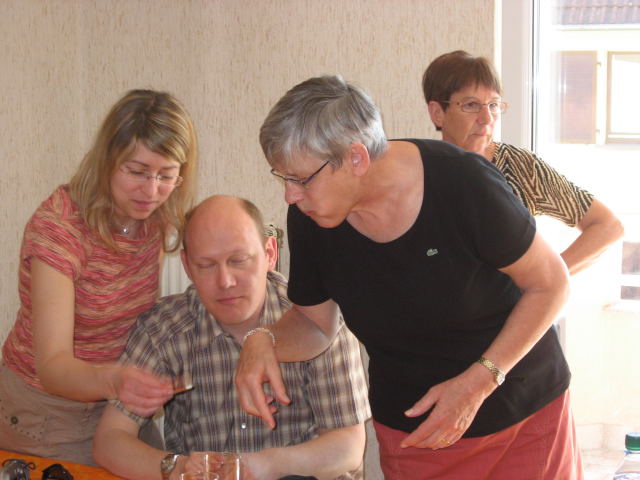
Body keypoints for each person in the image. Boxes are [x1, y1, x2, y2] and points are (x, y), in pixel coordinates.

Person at [235, 75, 583, 479]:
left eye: (300, 179)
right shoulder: (310, 217)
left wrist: (479, 380)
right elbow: (315, 324)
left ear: (356, 159)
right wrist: (262, 339)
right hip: (419, 434)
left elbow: (551, 284)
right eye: (283, 178)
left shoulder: (462, 182)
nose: (290, 196)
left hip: (523, 419)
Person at [93, 195, 370, 480]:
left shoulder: (319, 319)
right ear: (187, 266)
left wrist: (263, 466)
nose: (225, 281)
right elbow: (110, 440)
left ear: (270, 253)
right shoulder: (162, 330)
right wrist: (177, 468)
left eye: (238, 260)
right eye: (206, 265)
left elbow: (348, 447)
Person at [0, 89, 198, 464]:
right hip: (44, 412)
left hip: (115, 405)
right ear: (107, 160)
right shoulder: (59, 228)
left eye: (166, 175)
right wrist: (115, 380)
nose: (151, 191)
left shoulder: (155, 218)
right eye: (136, 171)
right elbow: (53, 366)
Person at [422, 50, 623, 275]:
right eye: (471, 105)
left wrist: (547, 278)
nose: (486, 118)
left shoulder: (520, 166)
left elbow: (607, 226)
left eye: (493, 105)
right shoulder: (419, 171)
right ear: (438, 113)